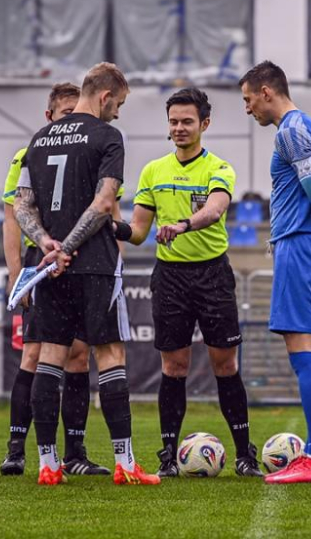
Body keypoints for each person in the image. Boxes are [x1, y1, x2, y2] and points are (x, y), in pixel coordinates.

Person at [14, 62, 159, 486]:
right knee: (110, 356)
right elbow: (103, 203)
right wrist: (72, 248)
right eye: (120, 104)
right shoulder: (108, 137)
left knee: (50, 357)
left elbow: (22, 206)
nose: (118, 113)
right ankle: (126, 464)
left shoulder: (38, 139)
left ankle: (48, 464)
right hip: (94, 263)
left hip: (50, 268)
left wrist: (47, 246)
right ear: (105, 96)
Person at [115, 87, 262, 478]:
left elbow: (214, 210)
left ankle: (245, 455)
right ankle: (168, 456)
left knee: (225, 365)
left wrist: (181, 225)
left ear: (204, 124)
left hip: (213, 274)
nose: (179, 128)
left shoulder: (219, 168)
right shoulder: (153, 171)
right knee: (174, 367)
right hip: (171, 278)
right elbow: (138, 231)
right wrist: (108, 225)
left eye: (187, 122)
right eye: (174, 121)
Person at [239, 61, 311, 484]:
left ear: (267, 91)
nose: (248, 109)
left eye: (249, 99)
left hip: (300, 243)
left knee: (303, 351)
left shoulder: (290, 131)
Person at [0, 82, 119, 477]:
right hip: (45, 260)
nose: (73, 120)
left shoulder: (90, 145)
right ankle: (17, 448)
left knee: (78, 354)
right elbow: (14, 215)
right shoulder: (28, 153)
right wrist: (18, 273)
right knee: (35, 354)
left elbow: (107, 203)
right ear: (49, 116)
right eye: (65, 115)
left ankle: (75, 453)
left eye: (76, 112)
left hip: (78, 257)